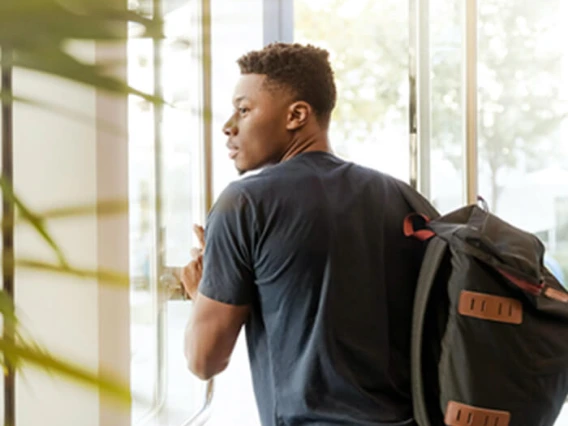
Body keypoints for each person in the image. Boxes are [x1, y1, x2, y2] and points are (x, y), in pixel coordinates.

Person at [180, 43, 424, 426]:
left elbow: (204, 360)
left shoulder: (244, 203)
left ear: (296, 115)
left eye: (244, 109)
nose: (229, 125)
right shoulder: (403, 198)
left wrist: (201, 292)